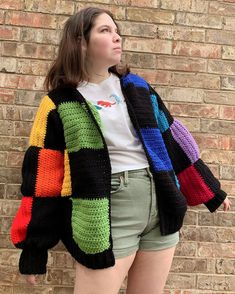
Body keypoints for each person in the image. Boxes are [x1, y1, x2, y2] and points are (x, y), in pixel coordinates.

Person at [10, 6, 231, 294]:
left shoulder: (137, 87)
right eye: (105, 31)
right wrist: (34, 248)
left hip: (160, 203)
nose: (116, 37)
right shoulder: (58, 103)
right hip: (106, 209)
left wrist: (209, 190)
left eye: (117, 31)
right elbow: (43, 178)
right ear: (80, 41)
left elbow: (172, 138)